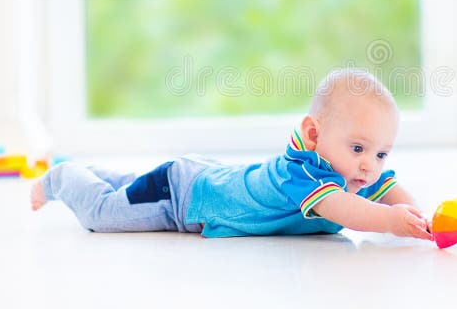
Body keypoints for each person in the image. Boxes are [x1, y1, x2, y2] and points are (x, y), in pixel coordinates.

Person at [31, 68, 433, 241]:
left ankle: (94, 173)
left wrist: (421, 221)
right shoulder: (304, 174)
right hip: (182, 196)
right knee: (103, 213)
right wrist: (390, 222)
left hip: (203, 175)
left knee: (127, 188)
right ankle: (62, 177)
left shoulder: (354, 170)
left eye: (381, 153)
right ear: (314, 133)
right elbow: (346, 211)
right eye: (359, 148)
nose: (370, 164)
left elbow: (389, 187)